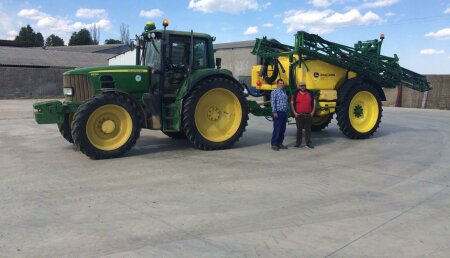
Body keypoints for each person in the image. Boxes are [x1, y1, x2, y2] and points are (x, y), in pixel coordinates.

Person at [291, 81, 316, 149]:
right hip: (299, 115)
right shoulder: (295, 94)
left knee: (308, 130)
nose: (303, 87)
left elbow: (314, 101)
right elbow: (292, 103)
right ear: (299, 87)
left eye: (304, 86)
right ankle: (298, 143)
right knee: (299, 130)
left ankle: (308, 143)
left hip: (308, 114)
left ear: (305, 86)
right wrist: (295, 113)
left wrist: (313, 111)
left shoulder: (310, 93)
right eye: (301, 86)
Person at [270, 78, 289, 151]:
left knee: (282, 129)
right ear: (277, 84)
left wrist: (288, 110)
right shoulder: (274, 92)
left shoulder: (284, 92)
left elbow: (286, 102)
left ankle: (280, 143)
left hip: (284, 112)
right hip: (278, 112)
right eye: (280, 83)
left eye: (282, 83)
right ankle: (274, 144)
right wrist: (274, 112)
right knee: (277, 128)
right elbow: (273, 102)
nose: (282, 84)